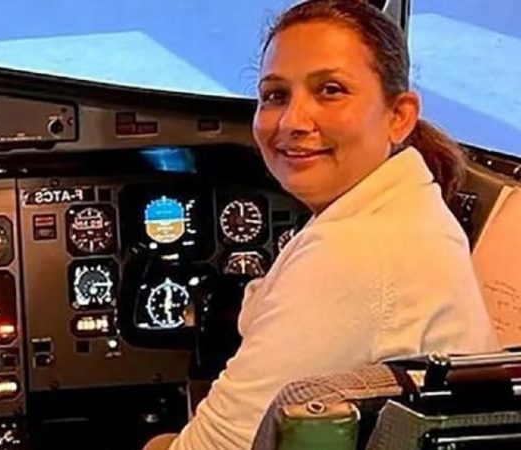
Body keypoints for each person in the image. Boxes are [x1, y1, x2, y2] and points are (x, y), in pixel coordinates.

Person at [146, 0, 499, 449]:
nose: (293, 121)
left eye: (330, 90)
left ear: (399, 116)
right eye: (275, 95)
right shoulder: (403, 210)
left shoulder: (357, 249)